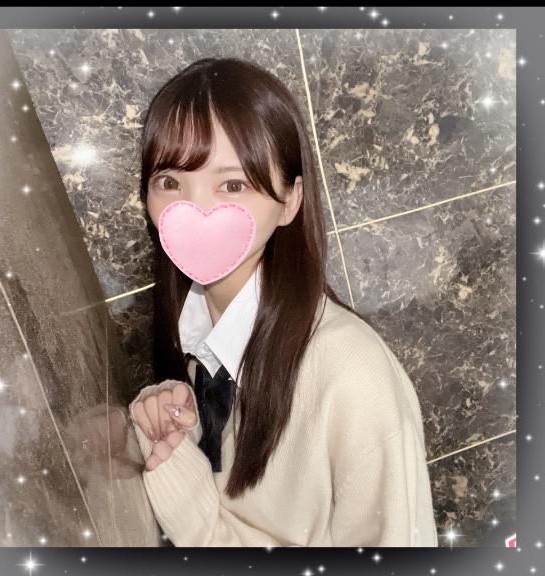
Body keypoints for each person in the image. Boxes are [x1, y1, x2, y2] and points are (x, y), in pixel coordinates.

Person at [128, 57, 439, 547]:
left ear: (291, 200)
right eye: (170, 183)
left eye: (233, 185)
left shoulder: (354, 377)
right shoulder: (199, 342)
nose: (195, 210)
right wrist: (172, 434)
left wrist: (195, 517)